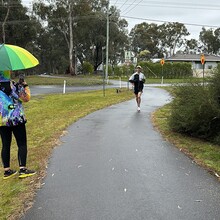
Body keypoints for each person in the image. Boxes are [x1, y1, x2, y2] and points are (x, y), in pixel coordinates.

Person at [0, 70, 36, 179]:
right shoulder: (14, 85)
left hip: (2, 119)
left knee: (5, 145)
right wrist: (25, 86)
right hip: (16, 118)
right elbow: (25, 98)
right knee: (21, 143)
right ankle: (23, 169)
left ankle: (7, 171)